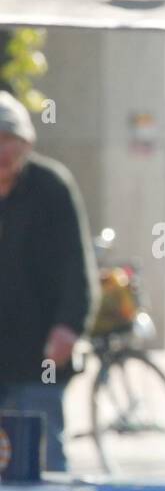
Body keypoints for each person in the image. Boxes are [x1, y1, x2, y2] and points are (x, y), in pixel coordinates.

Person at [0, 90, 97, 471]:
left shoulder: (51, 187)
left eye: (11, 140)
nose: (4, 151)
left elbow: (77, 265)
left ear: (27, 144)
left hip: (38, 355)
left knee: (43, 465)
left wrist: (69, 326)